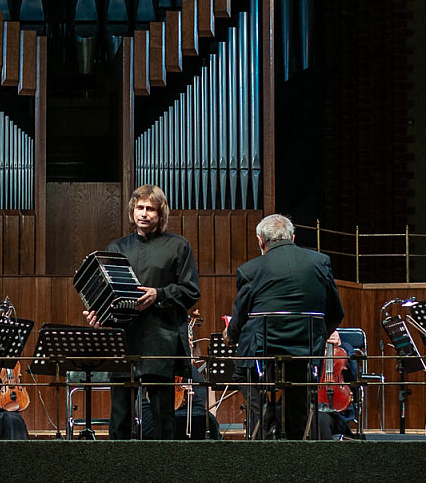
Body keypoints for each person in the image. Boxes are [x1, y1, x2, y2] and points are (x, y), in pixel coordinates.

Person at [84, 184, 200, 440]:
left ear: (161, 214)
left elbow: (191, 291)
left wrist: (159, 294)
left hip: (161, 340)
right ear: (132, 211)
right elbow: (107, 293)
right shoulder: (117, 247)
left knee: (162, 417)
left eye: (150, 209)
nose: (144, 213)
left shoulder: (178, 246)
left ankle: (162, 463)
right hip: (124, 340)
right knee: (120, 418)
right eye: (139, 207)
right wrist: (98, 315)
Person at [224, 214, 344, 440]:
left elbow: (240, 315)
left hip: (264, 350)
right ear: (293, 237)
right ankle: (295, 434)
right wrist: (319, 335)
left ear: (260, 241)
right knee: (298, 384)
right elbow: (336, 312)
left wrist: (230, 335)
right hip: (306, 349)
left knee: (241, 374)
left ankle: (266, 420)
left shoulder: (250, 270)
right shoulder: (320, 262)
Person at [315, 330, 358, 440]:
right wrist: (319, 348)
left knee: (320, 420)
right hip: (316, 405)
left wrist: (341, 347)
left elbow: (356, 375)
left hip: (339, 414)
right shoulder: (314, 348)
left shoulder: (346, 348)